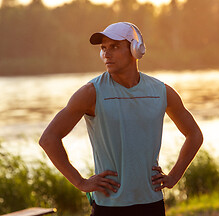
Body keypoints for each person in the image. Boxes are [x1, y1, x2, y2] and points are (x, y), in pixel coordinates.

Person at [39, 22, 203, 216]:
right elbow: (49, 139)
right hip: (109, 206)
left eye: (114, 47)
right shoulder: (91, 93)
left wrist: (174, 176)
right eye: (103, 48)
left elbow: (194, 135)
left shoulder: (161, 92)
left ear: (135, 49)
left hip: (151, 203)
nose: (106, 54)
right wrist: (81, 182)